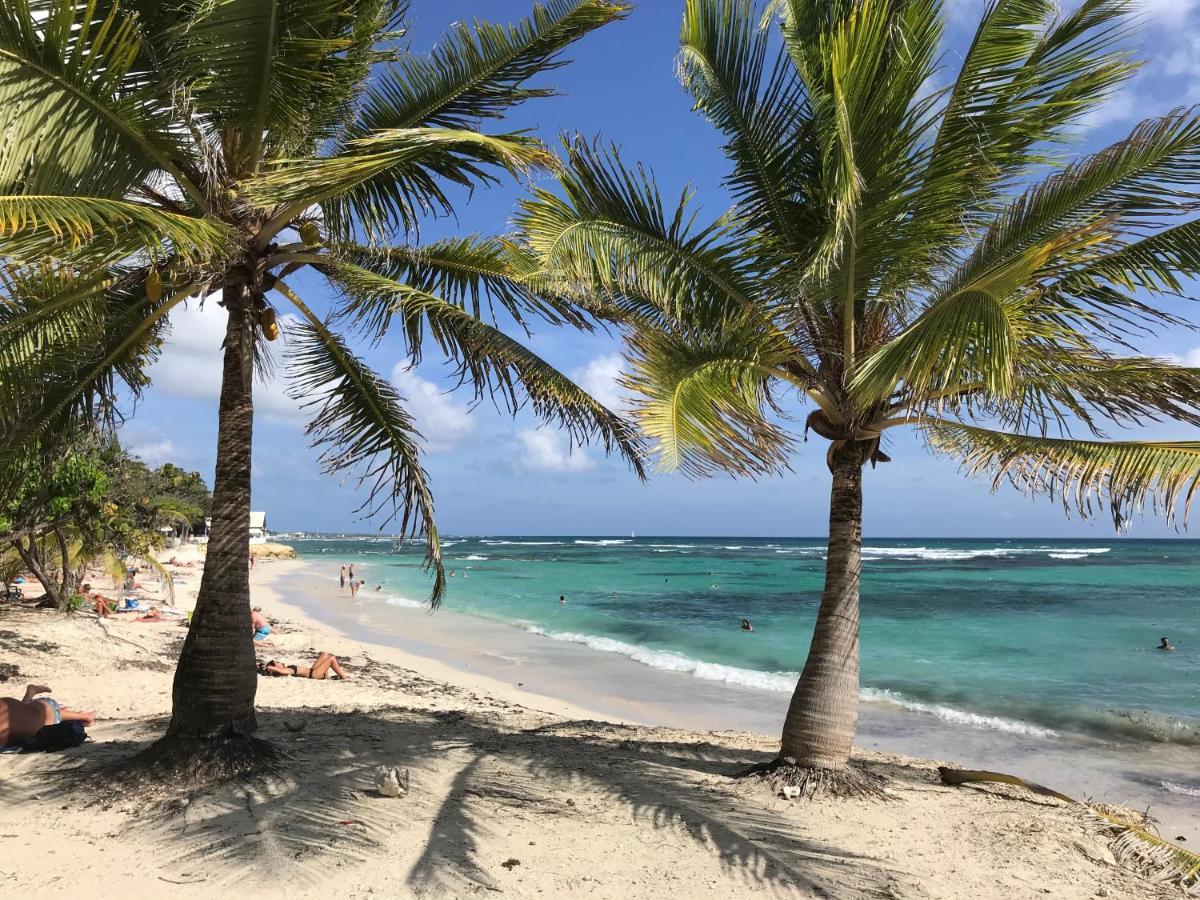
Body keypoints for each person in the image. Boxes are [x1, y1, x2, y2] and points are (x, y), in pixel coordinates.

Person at [0, 684, 95, 748]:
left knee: (46, 718)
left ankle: (85, 716)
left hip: (48, 709)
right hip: (29, 708)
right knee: (25, 717)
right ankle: (29, 696)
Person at [256, 652, 350, 681]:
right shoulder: (287, 670)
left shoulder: (287, 667)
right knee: (332, 658)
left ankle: (326, 676)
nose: (280, 662)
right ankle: (344, 677)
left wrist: (259, 665)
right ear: (277, 668)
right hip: (314, 674)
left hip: (312, 671)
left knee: (325, 655)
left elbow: (276, 669)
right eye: (278, 663)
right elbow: (279, 671)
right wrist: (267, 667)